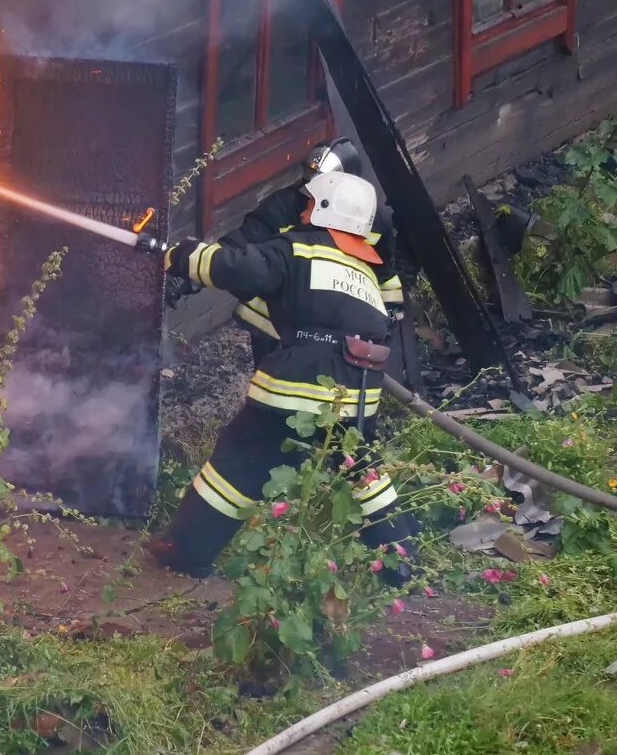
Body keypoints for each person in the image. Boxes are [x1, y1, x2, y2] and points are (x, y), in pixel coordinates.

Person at [146, 171, 420, 583]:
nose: (303, 212)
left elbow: (238, 268)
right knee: (363, 474)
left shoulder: (298, 249)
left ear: (326, 210)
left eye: (309, 204)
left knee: (236, 463)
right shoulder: (364, 271)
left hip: (296, 392)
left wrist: (182, 256)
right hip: (356, 400)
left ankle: (186, 550)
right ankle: (403, 567)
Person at [218, 138, 405, 370]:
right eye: (309, 184)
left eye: (320, 189)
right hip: (271, 323)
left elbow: (384, 273)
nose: (309, 198)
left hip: (333, 325)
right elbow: (236, 245)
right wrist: (186, 277)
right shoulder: (284, 206)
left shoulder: (375, 222)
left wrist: (388, 317)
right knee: (274, 381)